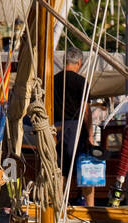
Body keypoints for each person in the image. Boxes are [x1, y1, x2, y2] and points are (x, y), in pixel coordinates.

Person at [52, 48, 88, 197]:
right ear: (79, 62)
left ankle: (59, 203)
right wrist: (90, 133)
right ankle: (89, 206)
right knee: (83, 167)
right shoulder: (81, 81)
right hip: (75, 128)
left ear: (64, 61)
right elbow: (86, 110)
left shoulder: (53, 80)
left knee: (60, 169)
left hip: (56, 128)